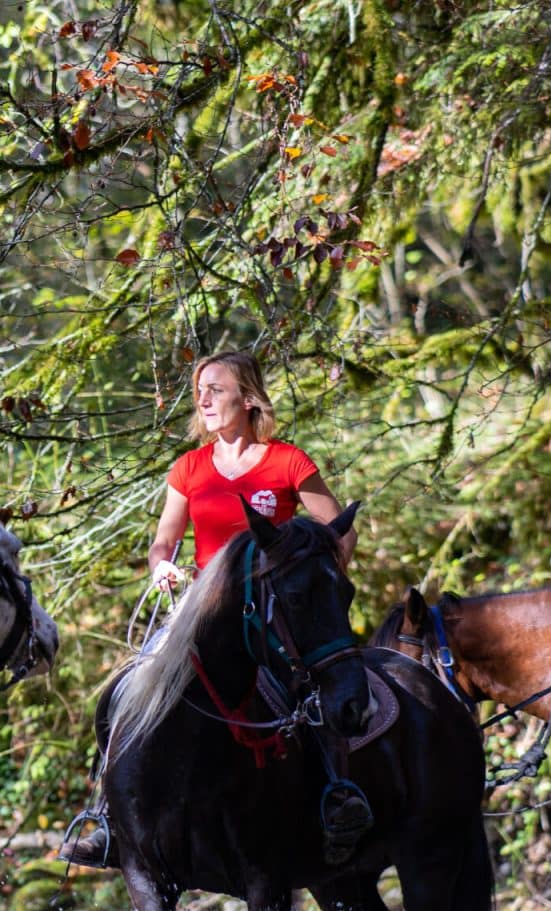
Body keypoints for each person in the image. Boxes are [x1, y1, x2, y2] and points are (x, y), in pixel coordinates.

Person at [65, 349, 358, 869]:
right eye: (200, 391)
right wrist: (162, 568)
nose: (203, 399)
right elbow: (163, 543)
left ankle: (337, 795)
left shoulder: (288, 461)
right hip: (203, 610)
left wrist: (316, 586)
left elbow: (341, 530)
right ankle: (108, 818)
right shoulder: (190, 468)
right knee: (126, 692)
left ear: (247, 398)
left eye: (215, 389)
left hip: (272, 613)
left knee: (311, 689)